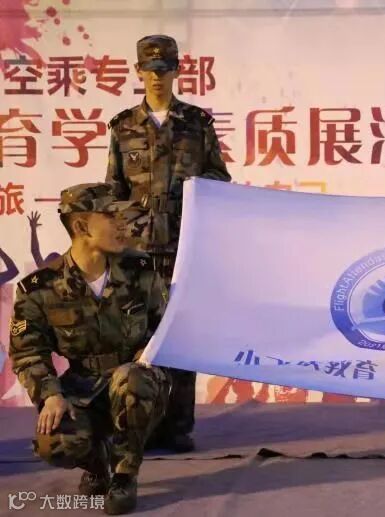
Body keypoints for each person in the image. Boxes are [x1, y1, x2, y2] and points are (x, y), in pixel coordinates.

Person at [9, 183, 171, 515]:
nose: (122, 224)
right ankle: (97, 465)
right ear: (82, 226)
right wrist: (50, 395)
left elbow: (166, 326)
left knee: (131, 378)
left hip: (138, 382)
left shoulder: (140, 270)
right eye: (111, 216)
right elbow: (28, 352)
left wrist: (148, 352)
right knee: (53, 442)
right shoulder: (39, 288)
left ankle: (124, 475)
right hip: (83, 385)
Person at [106, 34, 231, 452]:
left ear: (177, 71)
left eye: (164, 69)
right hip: (137, 250)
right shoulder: (123, 126)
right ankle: (137, 424)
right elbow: (114, 189)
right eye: (150, 69)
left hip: (183, 245)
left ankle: (177, 426)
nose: (157, 77)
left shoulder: (197, 123)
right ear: (138, 72)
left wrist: (189, 191)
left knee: (180, 334)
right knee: (135, 335)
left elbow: (219, 177)